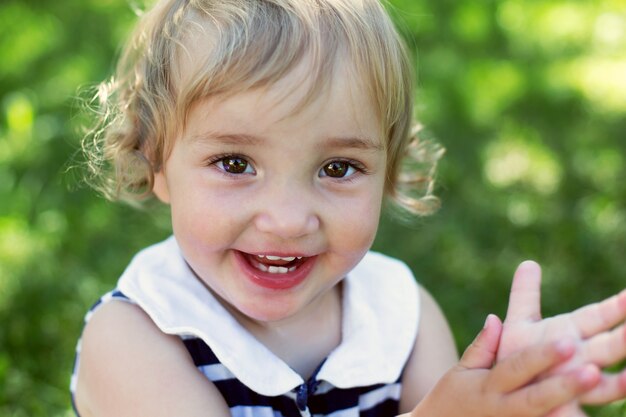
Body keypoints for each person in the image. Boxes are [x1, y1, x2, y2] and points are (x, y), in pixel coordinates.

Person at [70, 1, 626, 416]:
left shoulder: (400, 316)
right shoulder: (134, 335)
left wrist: (525, 400)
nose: (288, 219)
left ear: (388, 171)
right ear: (156, 160)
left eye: (337, 169)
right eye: (235, 164)